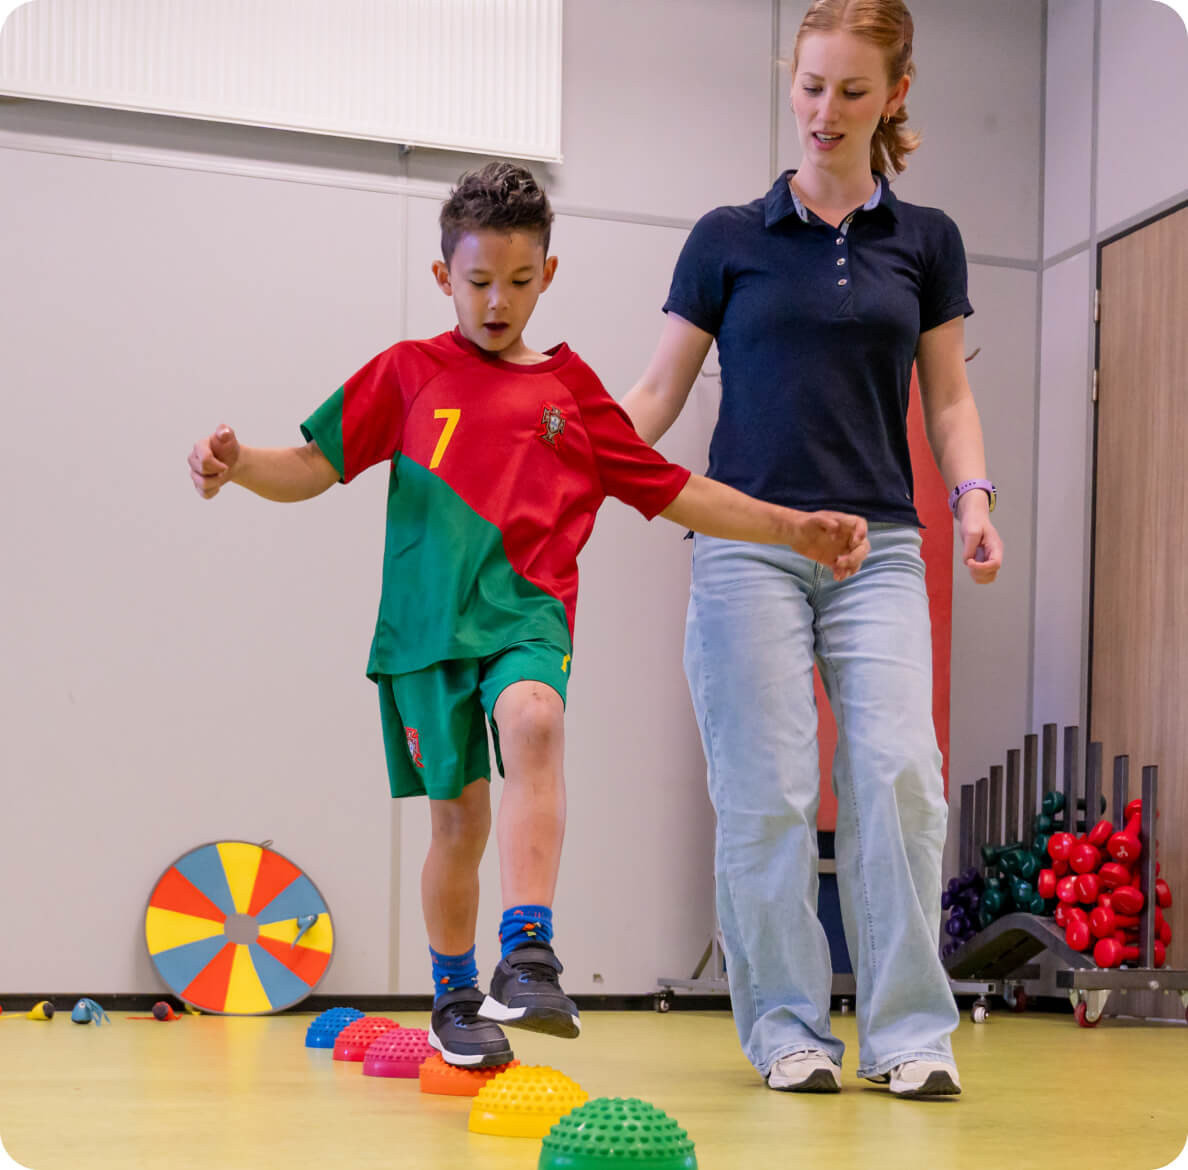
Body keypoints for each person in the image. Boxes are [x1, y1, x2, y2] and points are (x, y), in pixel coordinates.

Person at [187, 161, 870, 1069]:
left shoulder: (572, 393)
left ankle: (530, 951)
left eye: (518, 281)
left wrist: (795, 531)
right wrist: (237, 466)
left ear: (548, 275)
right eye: (477, 283)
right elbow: (308, 467)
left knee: (537, 718)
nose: (497, 301)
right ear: (443, 279)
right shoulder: (407, 373)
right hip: (426, 640)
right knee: (458, 827)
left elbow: (674, 491)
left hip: (527, 619)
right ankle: (455, 995)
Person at [621, 0, 1003, 1099]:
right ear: (788, 80)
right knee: (769, 791)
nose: (822, 112)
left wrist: (972, 501)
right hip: (747, 543)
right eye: (808, 86)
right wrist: (561, 465)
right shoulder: (728, 238)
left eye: (849, 90)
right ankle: (787, 1027)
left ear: (895, 95)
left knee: (897, 778)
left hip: (878, 547)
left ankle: (906, 1035)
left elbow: (951, 397)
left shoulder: (925, 240)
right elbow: (653, 393)